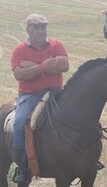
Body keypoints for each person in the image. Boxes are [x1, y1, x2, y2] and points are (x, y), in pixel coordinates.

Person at [10, 14, 70, 183]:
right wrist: (45, 66)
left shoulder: (56, 45)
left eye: (43, 27)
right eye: (36, 27)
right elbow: (19, 74)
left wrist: (34, 68)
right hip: (30, 95)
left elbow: (64, 65)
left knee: (81, 112)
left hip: (56, 92)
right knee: (20, 122)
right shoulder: (19, 50)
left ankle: (88, 157)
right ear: (28, 29)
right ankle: (22, 166)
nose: (40, 31)